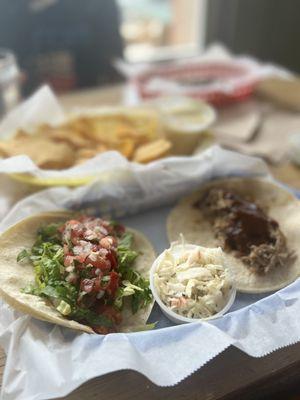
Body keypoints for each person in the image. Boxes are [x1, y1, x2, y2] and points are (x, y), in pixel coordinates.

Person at [0, 0, 124, 94]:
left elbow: (115, 61)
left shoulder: (100, 5)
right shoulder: (7, 9)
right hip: (27, 105)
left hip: (93, 97)